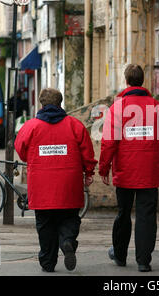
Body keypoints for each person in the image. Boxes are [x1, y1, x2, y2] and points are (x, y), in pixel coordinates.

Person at [99, 64, 159, 272]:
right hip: (149, 171)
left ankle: (120, 255)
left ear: (126, 81)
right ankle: (143, 260)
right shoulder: (157, 108)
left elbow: (109, 142)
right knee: (146, 215)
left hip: (125, 171)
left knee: (123, 212)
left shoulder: (118, 108)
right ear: (143, 81)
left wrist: (104, 168)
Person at [14, 87, 97, 272]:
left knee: (45, 224)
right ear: (60, 103)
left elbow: (20, 149)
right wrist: (89, 173)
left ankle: (48, 262)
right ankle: (67, 240)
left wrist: (33, 158)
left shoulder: (31, 126)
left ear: (42, 104)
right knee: (70, 218)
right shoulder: (75, 125)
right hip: (69, 183)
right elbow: (88, 154)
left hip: (41, 184)